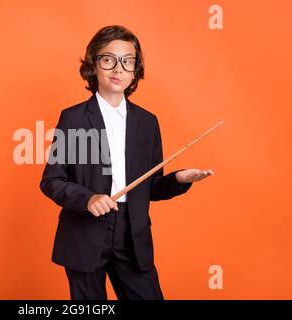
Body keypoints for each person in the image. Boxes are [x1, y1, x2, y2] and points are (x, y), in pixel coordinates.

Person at [40, 25, 214, 300]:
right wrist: (87, 199)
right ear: (93, 65)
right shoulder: (73, 119)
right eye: (108, 59)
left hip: (132, 234)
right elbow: (52, 181)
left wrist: (180, 179)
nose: (118, 69)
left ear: (135, 69)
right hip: (84, 233)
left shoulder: (147, 122)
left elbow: (151, 187)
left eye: (127, 61)